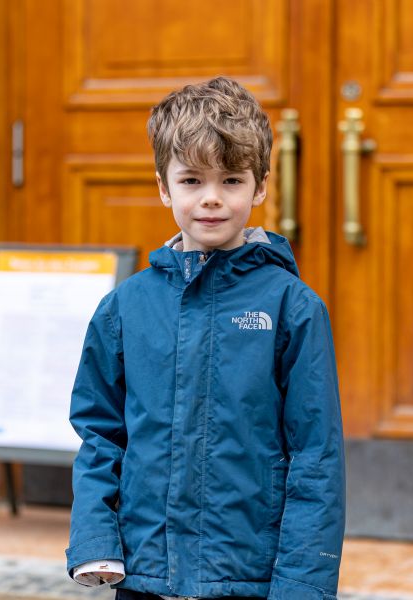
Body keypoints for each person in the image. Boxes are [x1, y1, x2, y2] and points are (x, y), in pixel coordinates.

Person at [64, 76, 345, 600]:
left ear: (260, 185)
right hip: (145, 574)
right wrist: (95, 538)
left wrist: (303, 586)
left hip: (249, 580)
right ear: (164, 187)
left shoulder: (293, 308)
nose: (212, 199)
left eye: (232, 181)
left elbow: (316, 456)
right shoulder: (125, 308)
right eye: (192, 180)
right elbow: (100, 432)